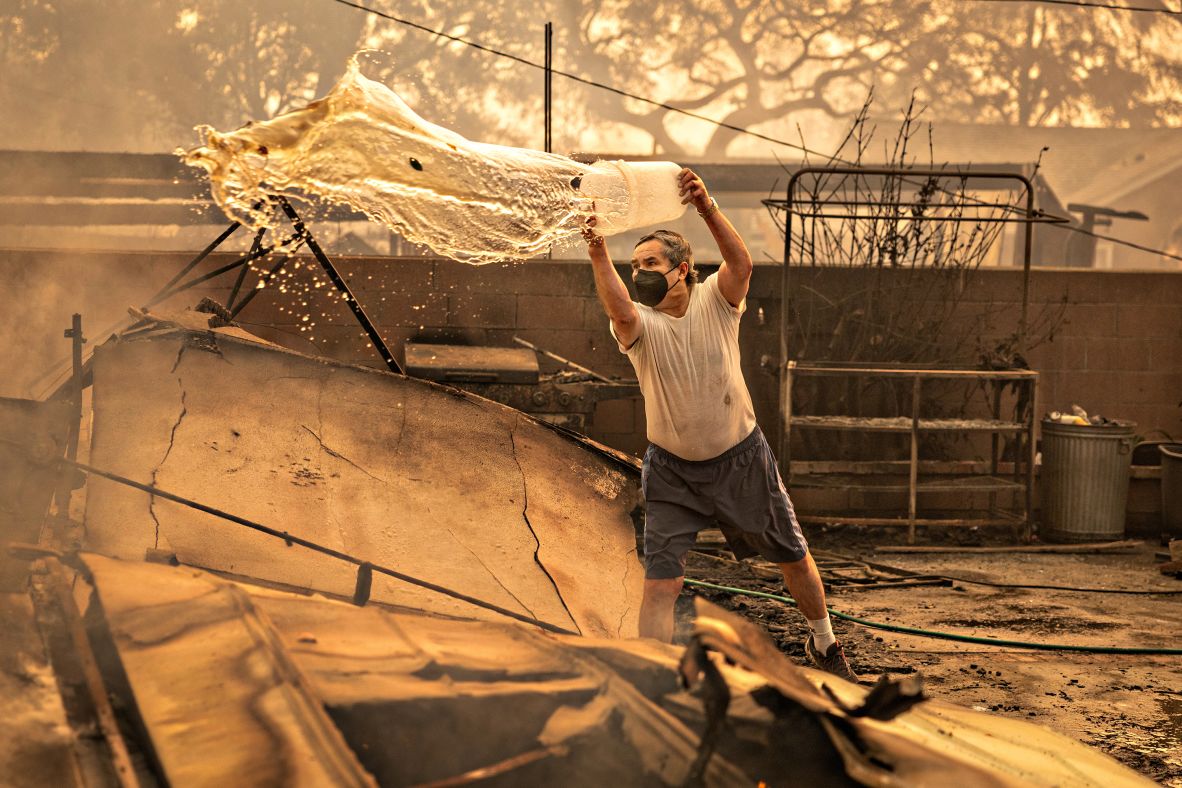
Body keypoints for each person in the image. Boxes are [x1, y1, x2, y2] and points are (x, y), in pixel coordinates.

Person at [583, 168, 856, 682]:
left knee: (792, 555)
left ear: (683, 269)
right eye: (634, 263)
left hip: (742, 460)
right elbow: (619, 308)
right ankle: (654, 674)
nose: (640, 271)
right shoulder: (641, 326)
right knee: (661, 584)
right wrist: (597, 248)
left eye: (651, 262)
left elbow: (742, 262)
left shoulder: (716, 300)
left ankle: (823, 642)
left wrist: (705, 206)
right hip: (671, 472)